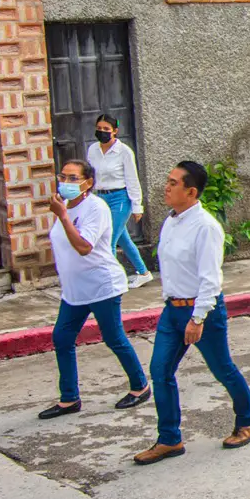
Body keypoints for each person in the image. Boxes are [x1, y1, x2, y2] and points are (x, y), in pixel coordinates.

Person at [135, 161, 250, 465]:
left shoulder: (205, 227)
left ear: (191, 191)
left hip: (202, 310)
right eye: (168, 180)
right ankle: (169, 439)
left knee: (222, 368)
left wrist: (198, 317)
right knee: (160, 371)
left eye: (174, 183)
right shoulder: (171, 221)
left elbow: (210, 278)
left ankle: (248, 419)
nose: (166, 187)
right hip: (173, 311)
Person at [38, 159, 150, 420]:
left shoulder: (95, 208)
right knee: (62, 338)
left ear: (88, 183)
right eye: (63, 177)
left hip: (101, 286)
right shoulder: (65, 206)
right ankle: (69, 398)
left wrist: (63, 217)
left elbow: (84, 247)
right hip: (75, 291)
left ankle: (140, 386)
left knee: (114, 338)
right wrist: (63, 214)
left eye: (73, 178)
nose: (65, 183)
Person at [86, 114, 153, 288]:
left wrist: (137, 206)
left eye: (106, 130)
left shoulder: (124, 152)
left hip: (120, 199)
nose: (102, 132)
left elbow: (132, 179)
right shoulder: (93, 149)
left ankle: (111, 280)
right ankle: (144, 272)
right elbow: (90, 176)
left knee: (108, 240)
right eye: (99, 129)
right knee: (123, 239)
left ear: (115, 131)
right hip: (100, 197)